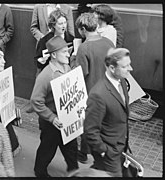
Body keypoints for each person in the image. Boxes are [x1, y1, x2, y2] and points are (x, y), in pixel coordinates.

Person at [30, 36, 78, 177]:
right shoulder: (45, 76)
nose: (68, 54)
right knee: (48, 148)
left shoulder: (66, 67)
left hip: (66, 117)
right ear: (54, 55)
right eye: (64, 52)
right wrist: (51, 118)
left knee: (71, 147)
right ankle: (39, 171)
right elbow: (35, 101)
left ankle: (74, 170)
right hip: (51, 122)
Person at [70, 12, 114, 164]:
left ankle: (83, 154)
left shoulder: (84, 47)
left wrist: (73, 58)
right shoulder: (109, 43)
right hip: (109, 91)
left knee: (89, 124)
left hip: (92, 92)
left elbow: (80, 73)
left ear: (83, 29)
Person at [84, 47, 132, 177]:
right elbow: (90, 130)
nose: (130, 69)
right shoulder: (98, 94)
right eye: (125, 66)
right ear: (111, 68)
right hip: (109, 154)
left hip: (120, 147)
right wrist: (105, 151)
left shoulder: (121, 80)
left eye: (129, 64)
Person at [35, 8, 74, 75]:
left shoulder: (71, 39)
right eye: (60, 23)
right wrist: (41, 60)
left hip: (67, 73)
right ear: (53, 25)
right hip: (51, 74)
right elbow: (37, 59)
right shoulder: (44, 41)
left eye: (65, 23)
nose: (63, 26)